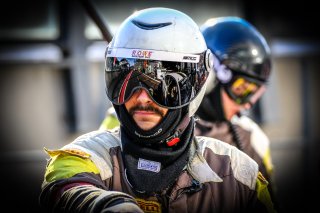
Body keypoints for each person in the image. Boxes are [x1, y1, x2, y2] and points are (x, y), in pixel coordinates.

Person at [39, 8, 276, 212]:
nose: (142, 98)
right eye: (127, 80)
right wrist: (104, 205)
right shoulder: (83, 156)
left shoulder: (240, 173)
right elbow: (65, 187)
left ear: (198, 82)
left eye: (163, 86)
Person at [195, 16, 278, 207]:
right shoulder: (153, 121)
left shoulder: (253, 138)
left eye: (254, 93)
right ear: (210, 75)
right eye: (242, 89)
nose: (248, 104)